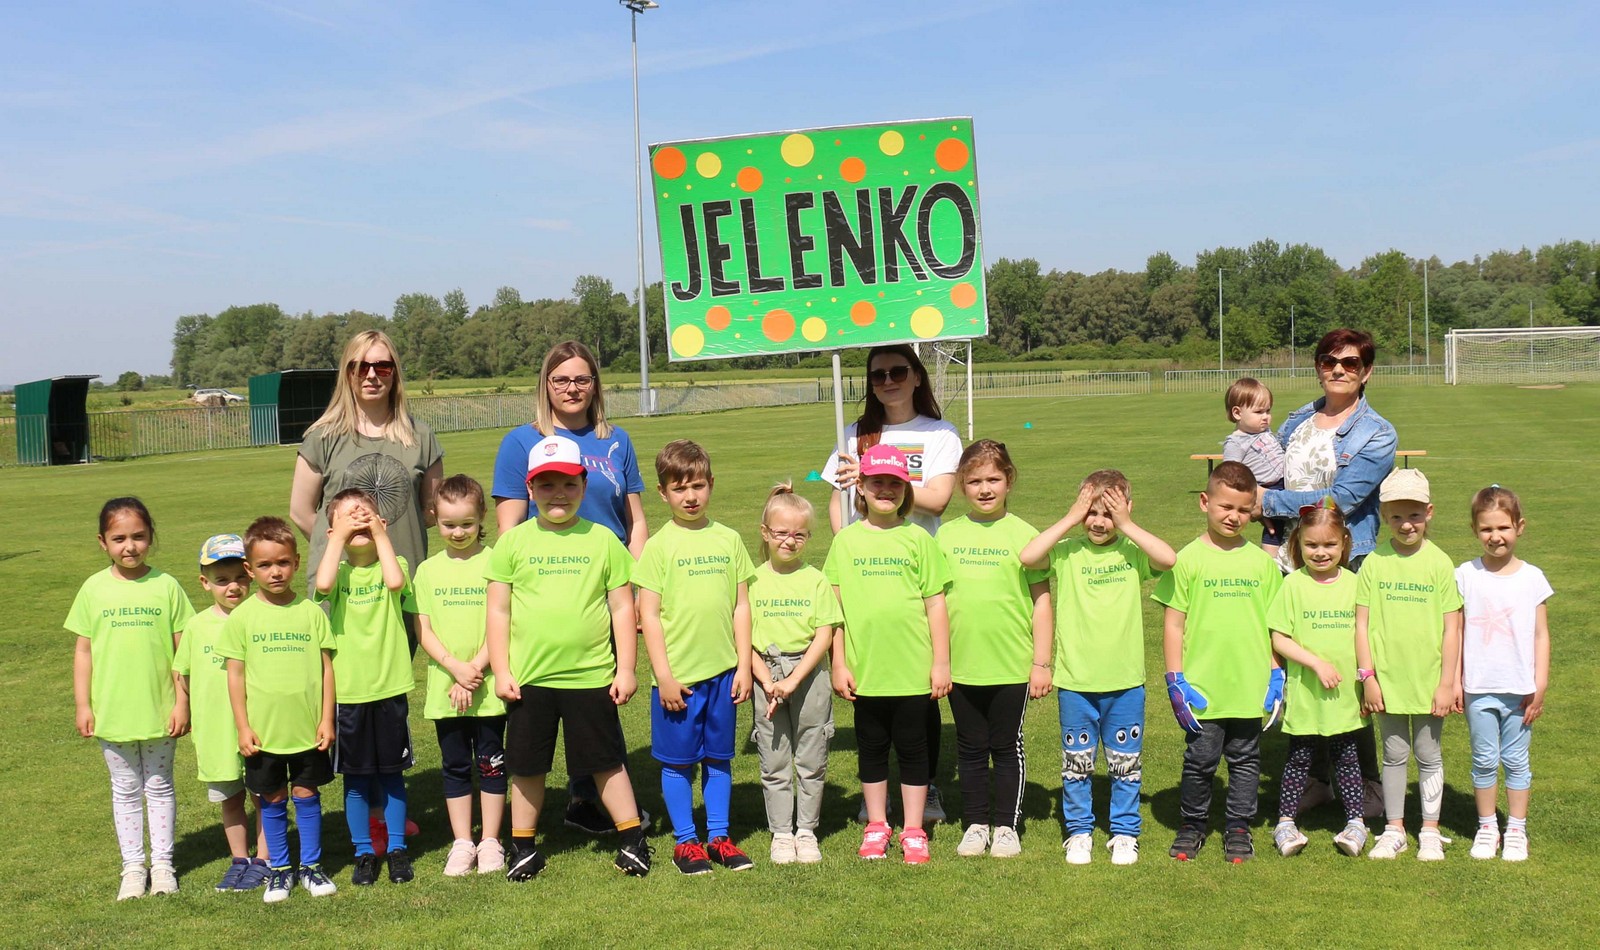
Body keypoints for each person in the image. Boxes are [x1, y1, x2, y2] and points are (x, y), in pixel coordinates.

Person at [492, 340, 648, 835]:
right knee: (559, 693)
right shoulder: (522, 441)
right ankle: (580, 803)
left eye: (582, 378)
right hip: (552, 584)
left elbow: (636, 520)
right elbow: (510, 525)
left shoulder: (616, 439)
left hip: (607, 580)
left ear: (595, 384)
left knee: (597, 698)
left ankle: (593, 801)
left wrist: (636, 585)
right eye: (561, 380)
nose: (572, 388)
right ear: (546, 385)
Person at [821, 344, 961, 822]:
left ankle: (928, 789)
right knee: (872, 697)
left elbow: (939, 499)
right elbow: (836, 501)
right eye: (878, 375)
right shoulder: (855, 432)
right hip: (867, 574)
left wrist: (880, 474)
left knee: (920, 697)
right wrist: (853, 545)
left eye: (898, 371)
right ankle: (876, 795)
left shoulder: (939, 432)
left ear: (918, 377)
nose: (888, 381)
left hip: (920, 570)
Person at [1258, 328, 1395, 815]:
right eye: (1328, 360)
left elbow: (1344, 499)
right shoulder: (1296, 419)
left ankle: (1370, 789)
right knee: (1304, 670)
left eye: (1351, 363)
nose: (1338, 369)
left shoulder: (1378, 432)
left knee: (1350, 675)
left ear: (1367, 371)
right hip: (1288, 559)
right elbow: (1267, 469)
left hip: (1345, 559)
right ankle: (1316, 780)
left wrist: (1266, 501)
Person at [1021, 469, 1176, 867]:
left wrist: (1128, 524)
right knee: (1077, 764)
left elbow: (1167, 558)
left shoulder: (1131, 552)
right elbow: (1029, 556)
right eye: (1092, 512)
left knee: (1126, 764)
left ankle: (1125, 833)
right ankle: (1079, 831)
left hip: (1125, 682)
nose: (1099, 522)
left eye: (1108, 513)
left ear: (1126, 510)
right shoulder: (1068, 551)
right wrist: (1072, 516)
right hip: (1075, 682)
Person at [825, 444, 952, 865]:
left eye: (894, 483)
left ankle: (914, 829)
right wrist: (839, 663)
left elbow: (936, 603)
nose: (885, 490)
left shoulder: (919, 539)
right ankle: (877, 823)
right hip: (866, 670)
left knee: (915, 751)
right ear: (860, 487)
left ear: (906, 488)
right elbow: (834, 610)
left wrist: (941, 662)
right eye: (876, 481)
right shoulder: (845, 542)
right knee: (872, 749)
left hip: (912, 669)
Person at [636, 439, 757, 875]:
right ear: (662, 492)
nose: (690, 496)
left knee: (719, 758)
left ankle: (720, 837)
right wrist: (663, 676)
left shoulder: (729, 539)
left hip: (724, 674)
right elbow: (647, 615)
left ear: (711, 486)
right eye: (679, 487)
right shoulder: (659, 546)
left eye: (699, 486)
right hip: (678, 679)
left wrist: (743, 665)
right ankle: (686, 842)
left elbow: (741, 605)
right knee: (678, 763)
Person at [1155, 461, 1284, 863]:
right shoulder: (1187, 560)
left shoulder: (1263, 564)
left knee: (1246, 761)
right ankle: (1193, 824)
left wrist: (1276, 673)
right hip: (1203, 687)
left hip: (1248, 685)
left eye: (1244, 510)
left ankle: (1239, 827)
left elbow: (1274, 626)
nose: (1234, 517)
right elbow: (1174, 624)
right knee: (1200, 760)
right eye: (1225, 506)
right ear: (1204, 502)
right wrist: (1175, 679)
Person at [68, 497, 194, 901]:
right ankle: (132, 868)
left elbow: (183, 651)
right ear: (102, 542)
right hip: (113, 711)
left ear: (151, 538)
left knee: (159, 786)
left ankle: (162, 866)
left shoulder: (167, 586)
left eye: (138, 537)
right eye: (119, 538)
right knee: (124, 789)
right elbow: (83, 651)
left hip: (159, 710)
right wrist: (84, 705)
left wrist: (182, 702)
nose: (129, 546)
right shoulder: (93, 588)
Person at [290, 329, 443, 652]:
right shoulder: (322, 438)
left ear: (395, 373)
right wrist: (343, 546)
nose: (372, 375)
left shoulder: (421, 437)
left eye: (383, 367)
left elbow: (430, 513)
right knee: (338, 696)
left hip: (398, 585)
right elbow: (302, 512)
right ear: (347, 373)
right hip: (340, 590)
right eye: (360, 367)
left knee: (393, 690)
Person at [937, 441, 1051, 859]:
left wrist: (1040, 662)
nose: (984, 489)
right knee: (969, 748)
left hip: (1011, 664)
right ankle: (975, 823)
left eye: (993, 479)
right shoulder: (946, 535)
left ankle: (1006, 825)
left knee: (1006, 746)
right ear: (962, 485)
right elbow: (933, 603)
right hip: (962, 665)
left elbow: (1042, 602)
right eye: (974, 481)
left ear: (1009, 480)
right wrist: (939, 661)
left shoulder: (1026, 536)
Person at [219, 516, 338, 904]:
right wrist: (242, 727)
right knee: (271, 799)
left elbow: (326, 670)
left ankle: (312, 866)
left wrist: (326, 718)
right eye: (266, 565)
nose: (276, 572)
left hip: (307, 729)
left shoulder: (311, 612)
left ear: (297, 561)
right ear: (250, 570)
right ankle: (280, 870)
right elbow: (234, 678)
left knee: (306, 794)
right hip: (264, 733)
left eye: (283, 562)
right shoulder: (242, 618)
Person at [1355, 468, 1463, 861]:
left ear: (1429, 512)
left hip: (1430, 679)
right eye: (1397, 516)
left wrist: (1447, 683)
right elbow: (1362, 625)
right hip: (1387, 680)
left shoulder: (1439, 563)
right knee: (1394, 753)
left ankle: (1430, 830)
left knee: (1428, 753)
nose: (1406, 524)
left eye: (1414, 515)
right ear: (1384, 516)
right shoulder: (1374, 564)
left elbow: (1453, 628)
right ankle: (1395, 828)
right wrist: (1367, 677)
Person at [313, 489, 415, 885]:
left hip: (389, 688)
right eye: (347, 517)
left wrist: (379, 533)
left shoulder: (396, 561)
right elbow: (320, 586)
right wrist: (336, 536)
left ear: (382, 525)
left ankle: (396, 849)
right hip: (350, 695)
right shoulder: (337, 573)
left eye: (366, 516)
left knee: (392, 775)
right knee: (355, 780)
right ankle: (362, 852)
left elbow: (394, 582)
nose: (359, 521)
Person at [413, 475, 508, 876]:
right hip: (446, 689)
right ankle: (461, 842)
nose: (457, 532)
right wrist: (454, 668)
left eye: (466, 524)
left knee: (490, 763)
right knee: (454, 766)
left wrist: (477, 668)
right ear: (434, 517)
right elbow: (424, 629)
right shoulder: (427, 571)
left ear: (482, 516)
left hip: (489, 688)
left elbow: (506, 622)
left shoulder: (496, 563)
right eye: (449, 524)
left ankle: (489, 841)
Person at [1265, 503, 1370, 858]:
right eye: (1312, 546)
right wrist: (1316, 664)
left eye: (1329, 545)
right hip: (1306, 694)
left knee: (1347, 757)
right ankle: (1285, 823)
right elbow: (1278, 637)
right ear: (1298, 544)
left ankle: (1355, 823)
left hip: (1344, 697)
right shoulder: (1293, 585)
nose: (1320, 553)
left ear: (1344, 544)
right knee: (1299, 758)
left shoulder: (1357, 585)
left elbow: (1367, 634)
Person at [174, 533, 273, 891]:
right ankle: (239, 859)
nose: (232, 586)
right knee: (230, 798)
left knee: (264, 794)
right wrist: (181, 706)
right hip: (216, 728)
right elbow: (181, 671)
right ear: (205, 583)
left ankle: (265, 858)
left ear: (250, 573)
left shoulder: (261, 616)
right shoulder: (197, 626)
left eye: (239, 577)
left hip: (259, 725)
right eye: (221, 580)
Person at [748, 484, 841, 866]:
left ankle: (806, 830)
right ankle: (781, 833)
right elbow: (745, 639)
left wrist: (793, 680)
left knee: (812, 755)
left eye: (799, 534)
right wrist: (768, 681)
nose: (790, 540)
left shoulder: (815, 579)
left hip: (808, 675)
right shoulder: (751, 581)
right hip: (765, 676)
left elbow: (825, 633)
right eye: (782, 532)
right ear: (766, 533)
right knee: (774, 760)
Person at [1457, 485, 1551, 862]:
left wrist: (1539, 685)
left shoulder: (1532, 578)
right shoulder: (1465, 575)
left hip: (1519, 688)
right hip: (1478, 687)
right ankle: (1486, 827)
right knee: (1482, 759)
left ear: (1519, 527)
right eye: (1486, 529)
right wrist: (1455, 682)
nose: (1495, 536)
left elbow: (1542, 635)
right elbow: (1457, 631)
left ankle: (1515, 828)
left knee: (1516, 760)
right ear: (1475, 530)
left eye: (1503, 528)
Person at [1221, 377, 1285, 557]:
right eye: (1259, 412)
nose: (1266, 417)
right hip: (1267, 488)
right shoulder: (1236, 442)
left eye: (1268, 411)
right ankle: (1270, 561)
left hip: (1286, 483)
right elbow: (1231, 475)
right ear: (1237, 413)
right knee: (1274, 529)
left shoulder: (1264, 431)